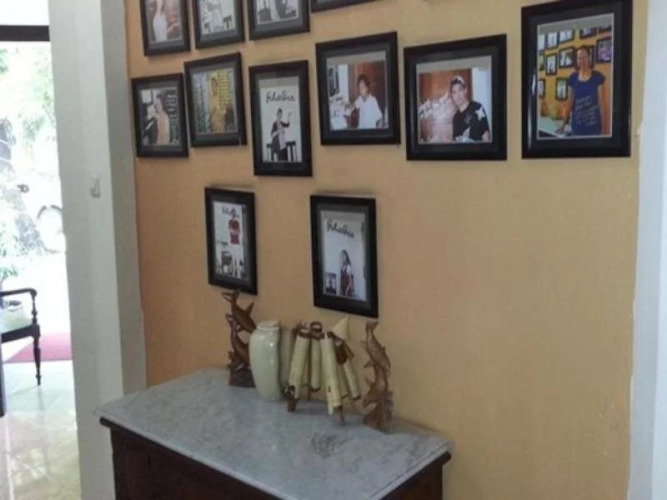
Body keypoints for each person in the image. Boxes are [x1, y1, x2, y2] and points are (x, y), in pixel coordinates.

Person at [555, 47, 609, 137]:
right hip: (577, 129)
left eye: (584, 57)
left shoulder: (598, 77)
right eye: (579, 58)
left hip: (594, 130)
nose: (581, 60)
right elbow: (570, 103)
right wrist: (563, 126)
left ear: (589, 58)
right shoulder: (572, 78)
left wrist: (604, 129)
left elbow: (602, 105)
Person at [450, 75, 491, 143]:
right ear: (452, 96)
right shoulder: (455, 118)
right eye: (454, 92)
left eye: (460, 90)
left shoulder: (477, 108)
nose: (458, 95)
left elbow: (486, 139)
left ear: (465, 90)